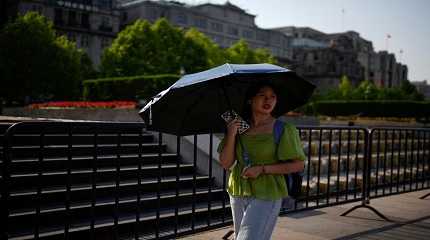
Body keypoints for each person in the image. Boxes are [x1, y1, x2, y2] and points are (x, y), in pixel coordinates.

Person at [218, 82, 306, 240]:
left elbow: (299, 164)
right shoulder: (238, 126)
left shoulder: (283, 129)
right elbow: (226, 163)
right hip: (237, 190)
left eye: (273, 97)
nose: (268, 100)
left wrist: (262, 169)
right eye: (262, 95)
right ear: (250, 100)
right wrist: (231, 134)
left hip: (268, 191)